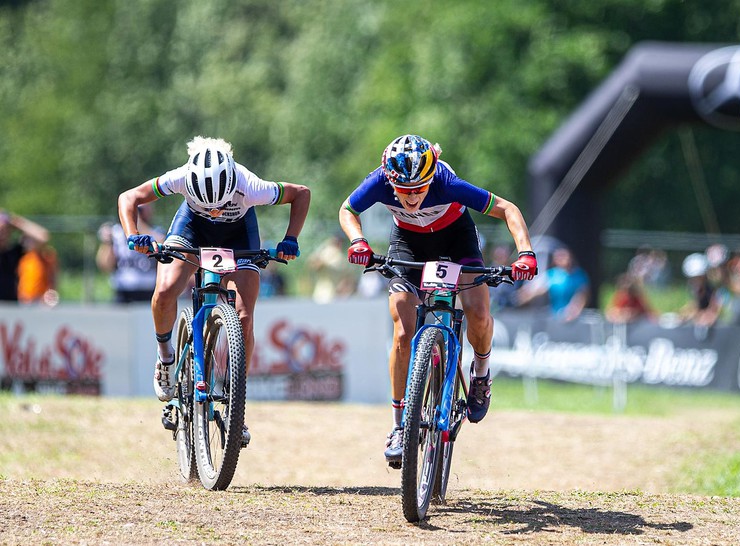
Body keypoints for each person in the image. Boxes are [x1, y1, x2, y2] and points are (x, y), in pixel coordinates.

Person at [338, 134, 537, 466]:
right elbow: (347, 210)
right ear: (390, 181)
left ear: (431, 177)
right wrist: (358, 241)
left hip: (456, 238)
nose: (413, 196)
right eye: (404, 190)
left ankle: (481, 374)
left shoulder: (447, 182)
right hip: (408, 243)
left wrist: (526, 252)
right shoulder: (380, 182)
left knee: (477, 310)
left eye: (420, 188)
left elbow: (507, 209)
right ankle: (399, 426)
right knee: (403, 330)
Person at [118, 135, 311, 446]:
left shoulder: (250, 184)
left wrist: (291, 238)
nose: (217, 210)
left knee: (244, 316)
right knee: (165, 290)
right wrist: (133, 235)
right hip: (191, 229)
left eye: (222, 204)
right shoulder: (180, 177)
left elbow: (300, 194)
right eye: (208, 205)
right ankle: (166, 357)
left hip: (238, 236)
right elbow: (129, 198)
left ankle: (237, 406)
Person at [96, 203, 165, 303]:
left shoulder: (157, 231)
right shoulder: (116, 233)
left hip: (149, 289)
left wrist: (138, 224)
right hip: (123, 290)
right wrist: (107, 242)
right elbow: (105, 265)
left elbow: (161, 244)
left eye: (141, 209)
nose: (138, 213)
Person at [518, 246, 589, 322]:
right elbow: (537, 288)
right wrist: (522, 296)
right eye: (558, 257)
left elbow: (583, 295)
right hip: (555, 317)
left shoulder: (579, 275)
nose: (562, 259)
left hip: (574, 319)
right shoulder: (552, 274)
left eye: (563, 256)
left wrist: (574, 310)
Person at [0, 210, 50, 302]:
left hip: (12, 307)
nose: (1, 234)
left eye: (4, 230)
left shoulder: (14, 252)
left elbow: (43, 236)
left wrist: (16, 222)